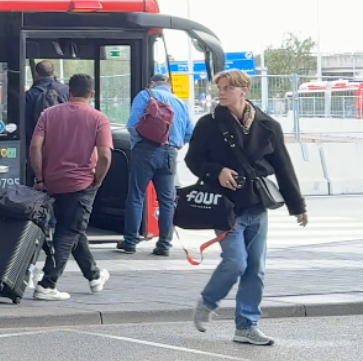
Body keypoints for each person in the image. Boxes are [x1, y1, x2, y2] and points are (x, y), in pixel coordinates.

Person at [187, 69, 307, 346]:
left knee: (255, 268)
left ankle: (246, 326)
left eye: (227, 88)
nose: (222, 92)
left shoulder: (268, 125)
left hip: (257, 205)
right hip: (225, 206)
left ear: (244, 90)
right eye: (220, 88)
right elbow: (193, 161)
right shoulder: (209, 124)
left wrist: (297, 205)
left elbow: (283, 167)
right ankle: (207, 301)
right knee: (236, 262)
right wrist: (216, 171)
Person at [28, 73, 112, 301]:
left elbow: (35, 146)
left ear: (69, 92)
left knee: (73, 227)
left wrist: (40, 177)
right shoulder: (98, 118)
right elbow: (105, 155)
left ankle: (94, 276)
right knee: (68, 231)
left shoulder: (49, 114)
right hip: (81, 183)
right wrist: (99, 178)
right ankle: (47, 284)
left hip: (53, 181)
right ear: (91, 94)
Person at [121, 73, 191, 256]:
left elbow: (132, 125)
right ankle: (164, 245)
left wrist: (138, 143)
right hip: (169, 154)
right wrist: (174, 144)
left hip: (145, 151)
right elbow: (190, 133)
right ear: (168, 85)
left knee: (136, 195)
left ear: (152, 83)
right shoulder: (181, 103)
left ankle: (130, 241)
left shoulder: (146, 95)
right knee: (167, 200)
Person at [21, 61, 68, 159]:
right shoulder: (66, 90)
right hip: (63, 142)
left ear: (37, 73)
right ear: (53, 72)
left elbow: (27, 122)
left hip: (39, 143)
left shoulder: (30, 94)